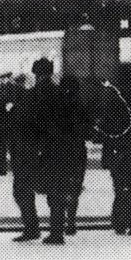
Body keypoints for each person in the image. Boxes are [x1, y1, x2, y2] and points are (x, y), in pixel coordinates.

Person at [11, 58, 70, 244]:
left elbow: (23, 121)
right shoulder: (61, 94)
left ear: (35, 74)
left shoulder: (32, 95)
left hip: (33, 150)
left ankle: (32, 228)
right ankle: (56, 231)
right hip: (53, 150)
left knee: (22, 190)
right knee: (55, 193)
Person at [96, 80, 131, 235]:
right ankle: (121, 221)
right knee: (126, 187)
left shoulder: (114, 109)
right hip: (130, 154)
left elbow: (107, 135)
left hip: (120, 154)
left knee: (121, 188)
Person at [54, 72, 89, 236]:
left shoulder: (58, 104)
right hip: (77, 149)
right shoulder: (81, 104)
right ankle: (71, 221)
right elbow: (86, 129)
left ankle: (61, 222)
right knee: (75, 186)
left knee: (60, 186)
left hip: (61, 150)